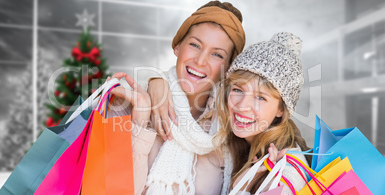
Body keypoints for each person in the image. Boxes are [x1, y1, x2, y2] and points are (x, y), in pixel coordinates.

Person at [111, 1, 245, 194]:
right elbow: (113, 188)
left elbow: (286, 143)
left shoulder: (234, 127)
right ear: (177, 46)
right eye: (195, 45)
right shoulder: (129, 106)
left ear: (229, 68)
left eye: (216, 54)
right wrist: (140, 120)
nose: (200, 61)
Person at [214, 32, 311, 194]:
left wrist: (240, 189)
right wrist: (156, 80)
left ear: (281, 109)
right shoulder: (242, 141)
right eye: (238, 90)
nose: (242, 106)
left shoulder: (288, 175)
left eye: (260, 97)